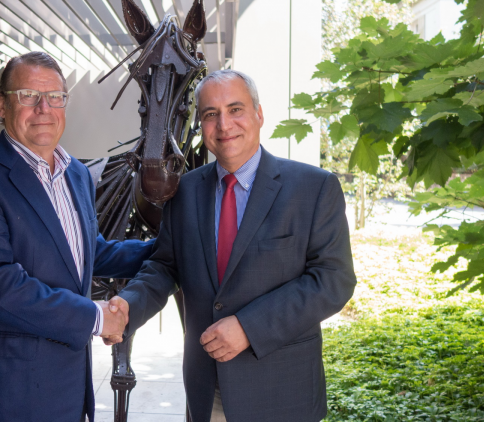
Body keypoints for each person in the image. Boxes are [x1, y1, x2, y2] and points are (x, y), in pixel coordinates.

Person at [108, 69, 357, 422]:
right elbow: (165, 267)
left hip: (282, 393)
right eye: (210, 114)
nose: (224, 125)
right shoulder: (184, 193)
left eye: (235, 109)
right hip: (206, 389)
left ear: (259, 114)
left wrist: (248, 327)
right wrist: (127, 307)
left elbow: (333, 280)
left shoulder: (313, 188)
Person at [0, 51, 153, 422]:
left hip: (63, 384)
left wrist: (169, 248)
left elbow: (84, 252)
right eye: (28, 96)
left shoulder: (75, 173)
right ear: (2, 106)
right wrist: (96, 317)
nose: (44, 108)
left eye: (55, 97)